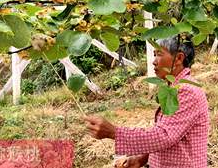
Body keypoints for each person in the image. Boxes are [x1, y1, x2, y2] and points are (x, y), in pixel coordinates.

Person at [84, 35, 209, 168]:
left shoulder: (187, 91)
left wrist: (114, 132)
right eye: (154, 55)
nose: (154, 61)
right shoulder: (173, 88)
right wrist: (141, 158)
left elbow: (164, 136)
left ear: (178, 58)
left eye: (159, 55)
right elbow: (169, 131)